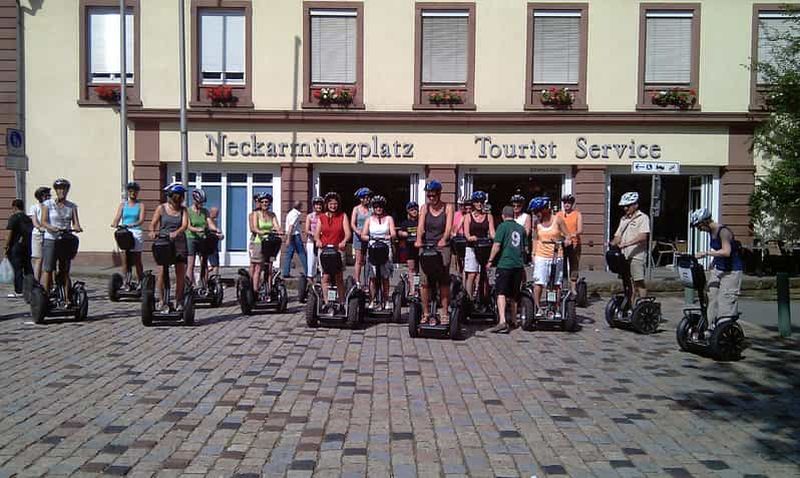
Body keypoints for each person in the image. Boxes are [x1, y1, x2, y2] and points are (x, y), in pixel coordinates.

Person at [690, 208, 743, 332]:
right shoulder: (711, 232)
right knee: (710, 296)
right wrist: (713, 262)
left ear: (705, 222)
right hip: (718, 269)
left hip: (731, 271)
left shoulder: (723, 232)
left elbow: (726, 251)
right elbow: (718, 250)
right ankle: (709, 329)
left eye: (699, 226)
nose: (699, 229)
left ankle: (724, 331)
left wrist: (706, 253)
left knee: (725, 300)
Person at [415, 180, 454, 324]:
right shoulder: (424, 208)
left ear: (439, 194)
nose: (431, 198)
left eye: (433, 195)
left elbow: (449, 228)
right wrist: (419, 240)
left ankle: (444, 312)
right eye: (429, 196)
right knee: (424, 281)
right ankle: (425, 313)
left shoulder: (448, 207)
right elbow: (420, 227)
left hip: (442, 247)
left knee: (443, 280)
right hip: (427, 246)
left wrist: (444, 239)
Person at [41, 178, 83, 298]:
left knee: (64, 269)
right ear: (56, 190)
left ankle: (66, 296)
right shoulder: (48, 204)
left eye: (64, 189)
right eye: (59, 189)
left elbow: (75, 223)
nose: (62, 191)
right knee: (49, 268)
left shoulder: (72, 206)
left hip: (65, 239)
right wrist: (52, 228)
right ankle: (45, 295)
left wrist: (77, 228)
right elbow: (43, 221)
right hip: (51, 238)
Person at [149, 183, 189, 311]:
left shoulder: (183, 210)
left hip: (179, 243)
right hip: (163, 242)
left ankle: (178, 300)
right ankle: (162, 300)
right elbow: (153, 224)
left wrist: (176, 232)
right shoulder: (161, 208)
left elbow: (184, 225)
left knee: (180, 272)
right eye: (175, 197)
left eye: (180, 197)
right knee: (161, 272)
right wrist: (152, 232)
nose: (177, 200)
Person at [488, 206, 527, 333]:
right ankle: (514, 320)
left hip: (505, 264)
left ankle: (502, 321)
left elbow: (497, 245)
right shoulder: (521, 229)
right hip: (518, 265)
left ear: (503, 216)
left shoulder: (502, 227)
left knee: (501, 292)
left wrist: (490, 260)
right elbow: (525, 249)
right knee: (514, 294)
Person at [529, 197, 570, 317]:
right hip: (541, 255)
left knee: (556, 283)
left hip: (557, 255)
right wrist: (533, 253)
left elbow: (567, 235)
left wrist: (567, 240)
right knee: (539, 283)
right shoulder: (537, 222)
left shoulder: (558, 219)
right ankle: (538, 308)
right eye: (535, 211)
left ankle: (556, 308)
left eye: (538, 211)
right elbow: (535, 238)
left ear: (545, 209)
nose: (536, 214)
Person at [610, 192, 650, 305]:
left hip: (637, 256)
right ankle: (630, 306)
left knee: (639, 282)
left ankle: (643, 305)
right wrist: (613, 243)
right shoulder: (623, 219)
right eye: (624, 206)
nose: (625, 208)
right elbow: (618, 236)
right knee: (628, 283)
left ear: (635, 205)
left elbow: (643, 236)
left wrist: (626, 244)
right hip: (625, 256)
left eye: (628, 205)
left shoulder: (643, 218)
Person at [315, 192, 351, 306]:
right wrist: (318, 241)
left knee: (338, 276)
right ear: (327, 204)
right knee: (325, 277)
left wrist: (344, 241)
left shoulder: (343, 216)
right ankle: (327, 303)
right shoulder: (321, 217)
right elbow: (317, 234)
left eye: (335, 204)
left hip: (338, 250)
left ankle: (341, 302)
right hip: (325, 250)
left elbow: (348, 233)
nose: (333, 206)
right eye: (331, 204)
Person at [360, 195, 396, 309]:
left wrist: (389, 236)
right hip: (373, 249)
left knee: (385, 277)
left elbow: (394, 234)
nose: (378, 208)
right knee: (373, 276)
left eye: (380, 206)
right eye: (376, 207)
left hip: (385, 249)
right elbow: (363, 235)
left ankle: (386, 301)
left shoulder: (389, 219)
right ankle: (372, 300)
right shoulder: (369, 220)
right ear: (373, 208)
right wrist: (369, 237)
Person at [185, 189, 223, 286]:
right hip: (191, 238)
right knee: (191, 264)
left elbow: (209, 223)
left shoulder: (205, 211)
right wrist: (198, 229)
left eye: (202, 202)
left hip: (202, 238)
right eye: (199, 202)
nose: (201, 204)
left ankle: (204, 285)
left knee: (204, 262)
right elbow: (188, 226)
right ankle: (189, 286)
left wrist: (216, 230)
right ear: (195, 200)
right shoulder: (188, 211)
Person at [110, 182, 146, 285]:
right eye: (130, 191)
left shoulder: (141, 205)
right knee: (125, 258)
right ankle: (126, 281)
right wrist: (114, 223)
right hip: (125, 232)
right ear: (128, 193)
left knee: (137, 258)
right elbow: (117, 217)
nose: (133, 193)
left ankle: (140, 281)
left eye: (135, 191)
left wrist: (132, 225)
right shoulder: (123, 205)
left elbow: (141, 220)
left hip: (136, 231)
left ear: (137, 192)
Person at [463, 190, 495, 300]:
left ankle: (485, 299)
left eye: (481, 201)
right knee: (472, 274)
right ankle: (469, 298)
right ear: (473, 203)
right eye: (477, 202)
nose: (479, 204)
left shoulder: (489, 216)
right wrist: (471, 237)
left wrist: (494, 238)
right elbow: (467, 234)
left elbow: (492, 233)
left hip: (484, 247)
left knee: (484, 274)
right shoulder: (468, 217)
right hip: (472, 247)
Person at [249, 193, 281, 293]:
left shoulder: (272, 215)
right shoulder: (255, 214)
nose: (264, 203)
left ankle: (269, 290)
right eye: (262, 202)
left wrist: (279, 230)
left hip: (270, 242)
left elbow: (277, 226)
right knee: (258, 267)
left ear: (269, 203)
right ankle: (255, 290)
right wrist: (261, 231)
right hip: (259, 242)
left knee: (269, 267)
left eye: (266, 202)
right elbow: (254, 227)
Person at [4, 199, 33, 298]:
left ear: (14, 207)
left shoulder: (14, 218)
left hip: (16, 246)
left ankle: (19, 291)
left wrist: (6, 245)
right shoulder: (28, 219)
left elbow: (9, 233)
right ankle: (31, 288)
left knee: (18, 269)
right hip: (27, 246)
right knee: (28, 268)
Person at [556, 194, 583, 295]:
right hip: (562, 243)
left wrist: (572, 235)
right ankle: (563, 287)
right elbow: (556, 228)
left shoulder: (577, 214)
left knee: (574, 265)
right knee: (561, 265)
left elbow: (580, 230)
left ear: (572, 204)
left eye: (569, 203)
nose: (567, 205)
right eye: (565, 203)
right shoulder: (559, 215)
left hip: (574, 243)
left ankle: (573, 288)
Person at [350, 187, 372, 286]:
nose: (367, 199)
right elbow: (352, 224)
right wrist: (358, 232)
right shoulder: (356, 209)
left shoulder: (372, 209)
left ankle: (367, 282)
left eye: (368, 197)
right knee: (359, 260)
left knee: (369, 260)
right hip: (358, 237)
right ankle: (357, 281)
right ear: (361, 198)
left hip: (369, 236)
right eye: (365, 197)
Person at [397, 201, 419, 293]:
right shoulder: (406, 223)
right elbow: (399, 232)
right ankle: (412, 290)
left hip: (420, 248)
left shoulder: (421, 221)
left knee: (420, 269)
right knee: (411, 269)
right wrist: (403, 233)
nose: (414, 211)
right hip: (410, 248)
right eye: (411, 209)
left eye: (415, 209)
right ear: (408, 211)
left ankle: (419, 288)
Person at [29, 187, 50, 283]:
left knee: (49, 260)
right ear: (41, 196)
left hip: (49, 235)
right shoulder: (34, 207)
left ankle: (50, 283)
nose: (49, 197)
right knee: (39, 259)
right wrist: (40, 228)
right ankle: (36, 282)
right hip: (38, 235)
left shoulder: (50, 207)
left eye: (49, 195)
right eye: (47, 195)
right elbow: (35, 222)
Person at [282, 201, 307, 278]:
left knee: (289, 254)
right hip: (294, 235)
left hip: (290, 235)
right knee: (302, 253)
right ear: (300, 206)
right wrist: (288, 239)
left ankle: (286, 272)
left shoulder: (290, 213)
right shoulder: (295, 214)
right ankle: (308, 271)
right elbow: (291, 226)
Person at [304, 196, 324, 282]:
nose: (318, 207)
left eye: (320, 205)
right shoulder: (310, 216)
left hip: (322, 242)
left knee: (322, 262)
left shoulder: (324, 216)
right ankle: (310, 281)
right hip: (311, 241)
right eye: (316, 205)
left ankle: (322, 280)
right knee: (311, 262)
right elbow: (306, 230)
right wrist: (314, 234)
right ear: (313, 206)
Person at [452, 196, 471, 275]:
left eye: (463, 205)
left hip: (466, 237)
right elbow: (453, 227)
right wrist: (453, 233)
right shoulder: (456, 214)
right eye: (460, 205)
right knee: (457, 259)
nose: (462, 207)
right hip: (458, 238)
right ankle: (459, 275)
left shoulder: (469, 215)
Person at [207, 206, 222, 277]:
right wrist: (217, 233)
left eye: (218, 213)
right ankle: (215, 278)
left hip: (214, 244)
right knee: (215, 264)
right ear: (211, 213)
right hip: (209, 244)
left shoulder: (215, 221)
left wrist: (220, 236)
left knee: (215, 263)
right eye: (216, 213)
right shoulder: (208, 220)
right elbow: (211, 231)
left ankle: (213, 275)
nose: (217, 215)